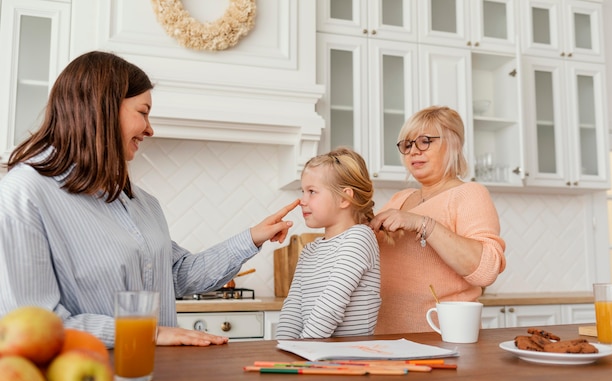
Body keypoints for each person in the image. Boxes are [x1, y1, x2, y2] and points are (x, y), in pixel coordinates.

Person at [0, 51, 299, 348]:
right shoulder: (25, 194)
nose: (150, 128)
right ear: (101, 108)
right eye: (143, 112)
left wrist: (252, 238)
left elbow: (177, 275)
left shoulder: (140, 202)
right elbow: (32, 324)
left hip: (156, 376)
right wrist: (148, 332)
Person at [369, 105, 506, 334]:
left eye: (425, 141)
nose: (414, 151)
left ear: (454, 144)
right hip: (384, 339)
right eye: (407, 144)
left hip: (443, 340)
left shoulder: (469, 193)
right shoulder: (399, 199)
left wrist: (424, 224)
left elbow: (487, 269)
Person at [276, 147, 381, 339]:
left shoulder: (359, 238)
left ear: (344, 198)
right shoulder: (310, 250)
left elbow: (330, 306)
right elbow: (293, 309)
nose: (302, 200)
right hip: (313, 352)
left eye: (312, 192)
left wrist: (302, 346)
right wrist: (283, 348)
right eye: (303, 191)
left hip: (350, 357)